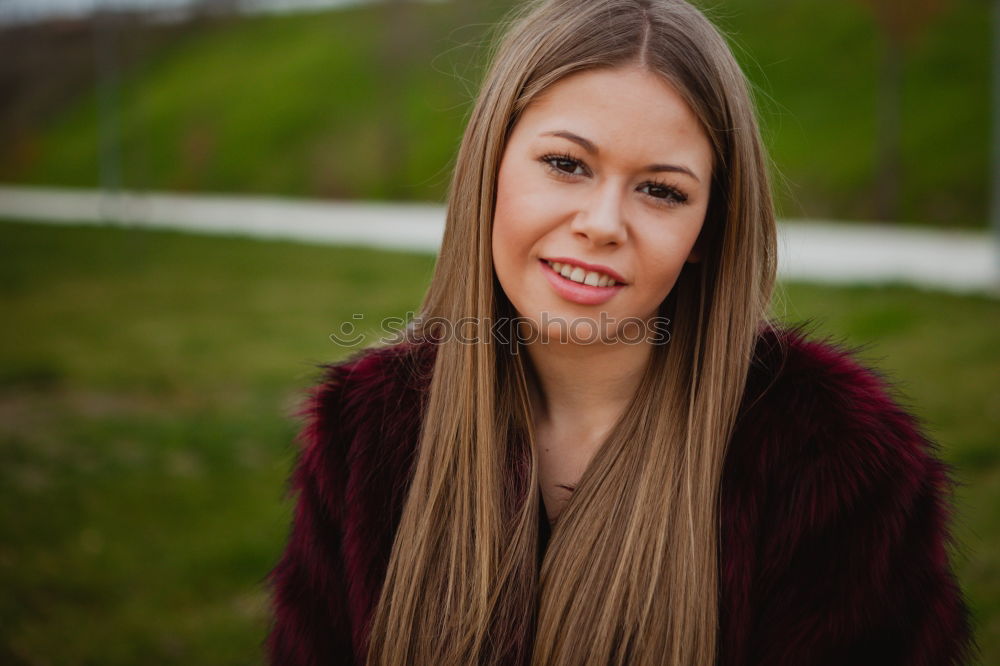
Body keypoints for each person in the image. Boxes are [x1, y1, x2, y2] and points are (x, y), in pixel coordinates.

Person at [264, 0, 978, 663]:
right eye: (566, 164)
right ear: (491, 165)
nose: (602, 224)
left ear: (708, 229)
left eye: (662, 190)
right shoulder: (367, 433)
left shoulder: (833, 462)